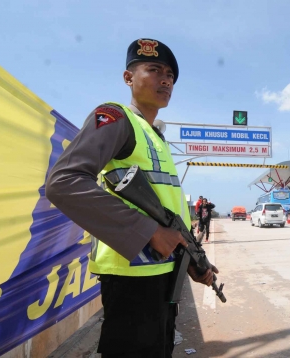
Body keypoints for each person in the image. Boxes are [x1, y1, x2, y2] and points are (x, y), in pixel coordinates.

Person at [45, 38, 219, 358]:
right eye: (154, 70)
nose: (165, 79)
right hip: (131, 279)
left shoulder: (157, 137)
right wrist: (149, 232)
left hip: (161, 277)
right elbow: (63, 182)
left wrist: (193, 263)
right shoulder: (115, 117)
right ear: (129, 78)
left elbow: (170, 216)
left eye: (169, 75)